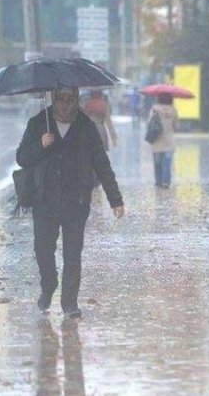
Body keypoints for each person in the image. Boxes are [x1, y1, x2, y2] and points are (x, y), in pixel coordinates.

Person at [16, 87, 125, 318]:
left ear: (76, 99)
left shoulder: (86, 126)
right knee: (43, 250)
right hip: (44, 202)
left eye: (70, 99)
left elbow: (101, 163)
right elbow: (22, 157)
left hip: (76, 202)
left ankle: (70, 303)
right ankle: (49, 285)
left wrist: (115, 199)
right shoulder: (38, 123)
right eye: (61, 99)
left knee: (73, 254)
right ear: (53, 99)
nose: (65, 104)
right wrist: (41, 145)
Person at [149, 92, 178, 188]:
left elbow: (149, 122)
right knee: (167, 163)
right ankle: (166, 181)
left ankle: (158, 181)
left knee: (157, 163)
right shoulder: (173, 110)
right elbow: (176, 125)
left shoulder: (154, 109)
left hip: (157, 140)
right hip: (169, 141)